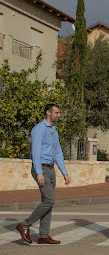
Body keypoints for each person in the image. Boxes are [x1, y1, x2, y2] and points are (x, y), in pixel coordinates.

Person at [16, 104, 71, 245]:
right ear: (48, 113)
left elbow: (58, 152)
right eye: (56, 112)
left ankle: (43, 235)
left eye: (59, 113)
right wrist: (39, 172)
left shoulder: (54, 130)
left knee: (48, 202)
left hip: (51, 169)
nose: (59, 115)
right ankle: (25, 225)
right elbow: (36, 152)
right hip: (41, 168)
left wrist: (64, 172)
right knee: (49, 200)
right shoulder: (39, 129)